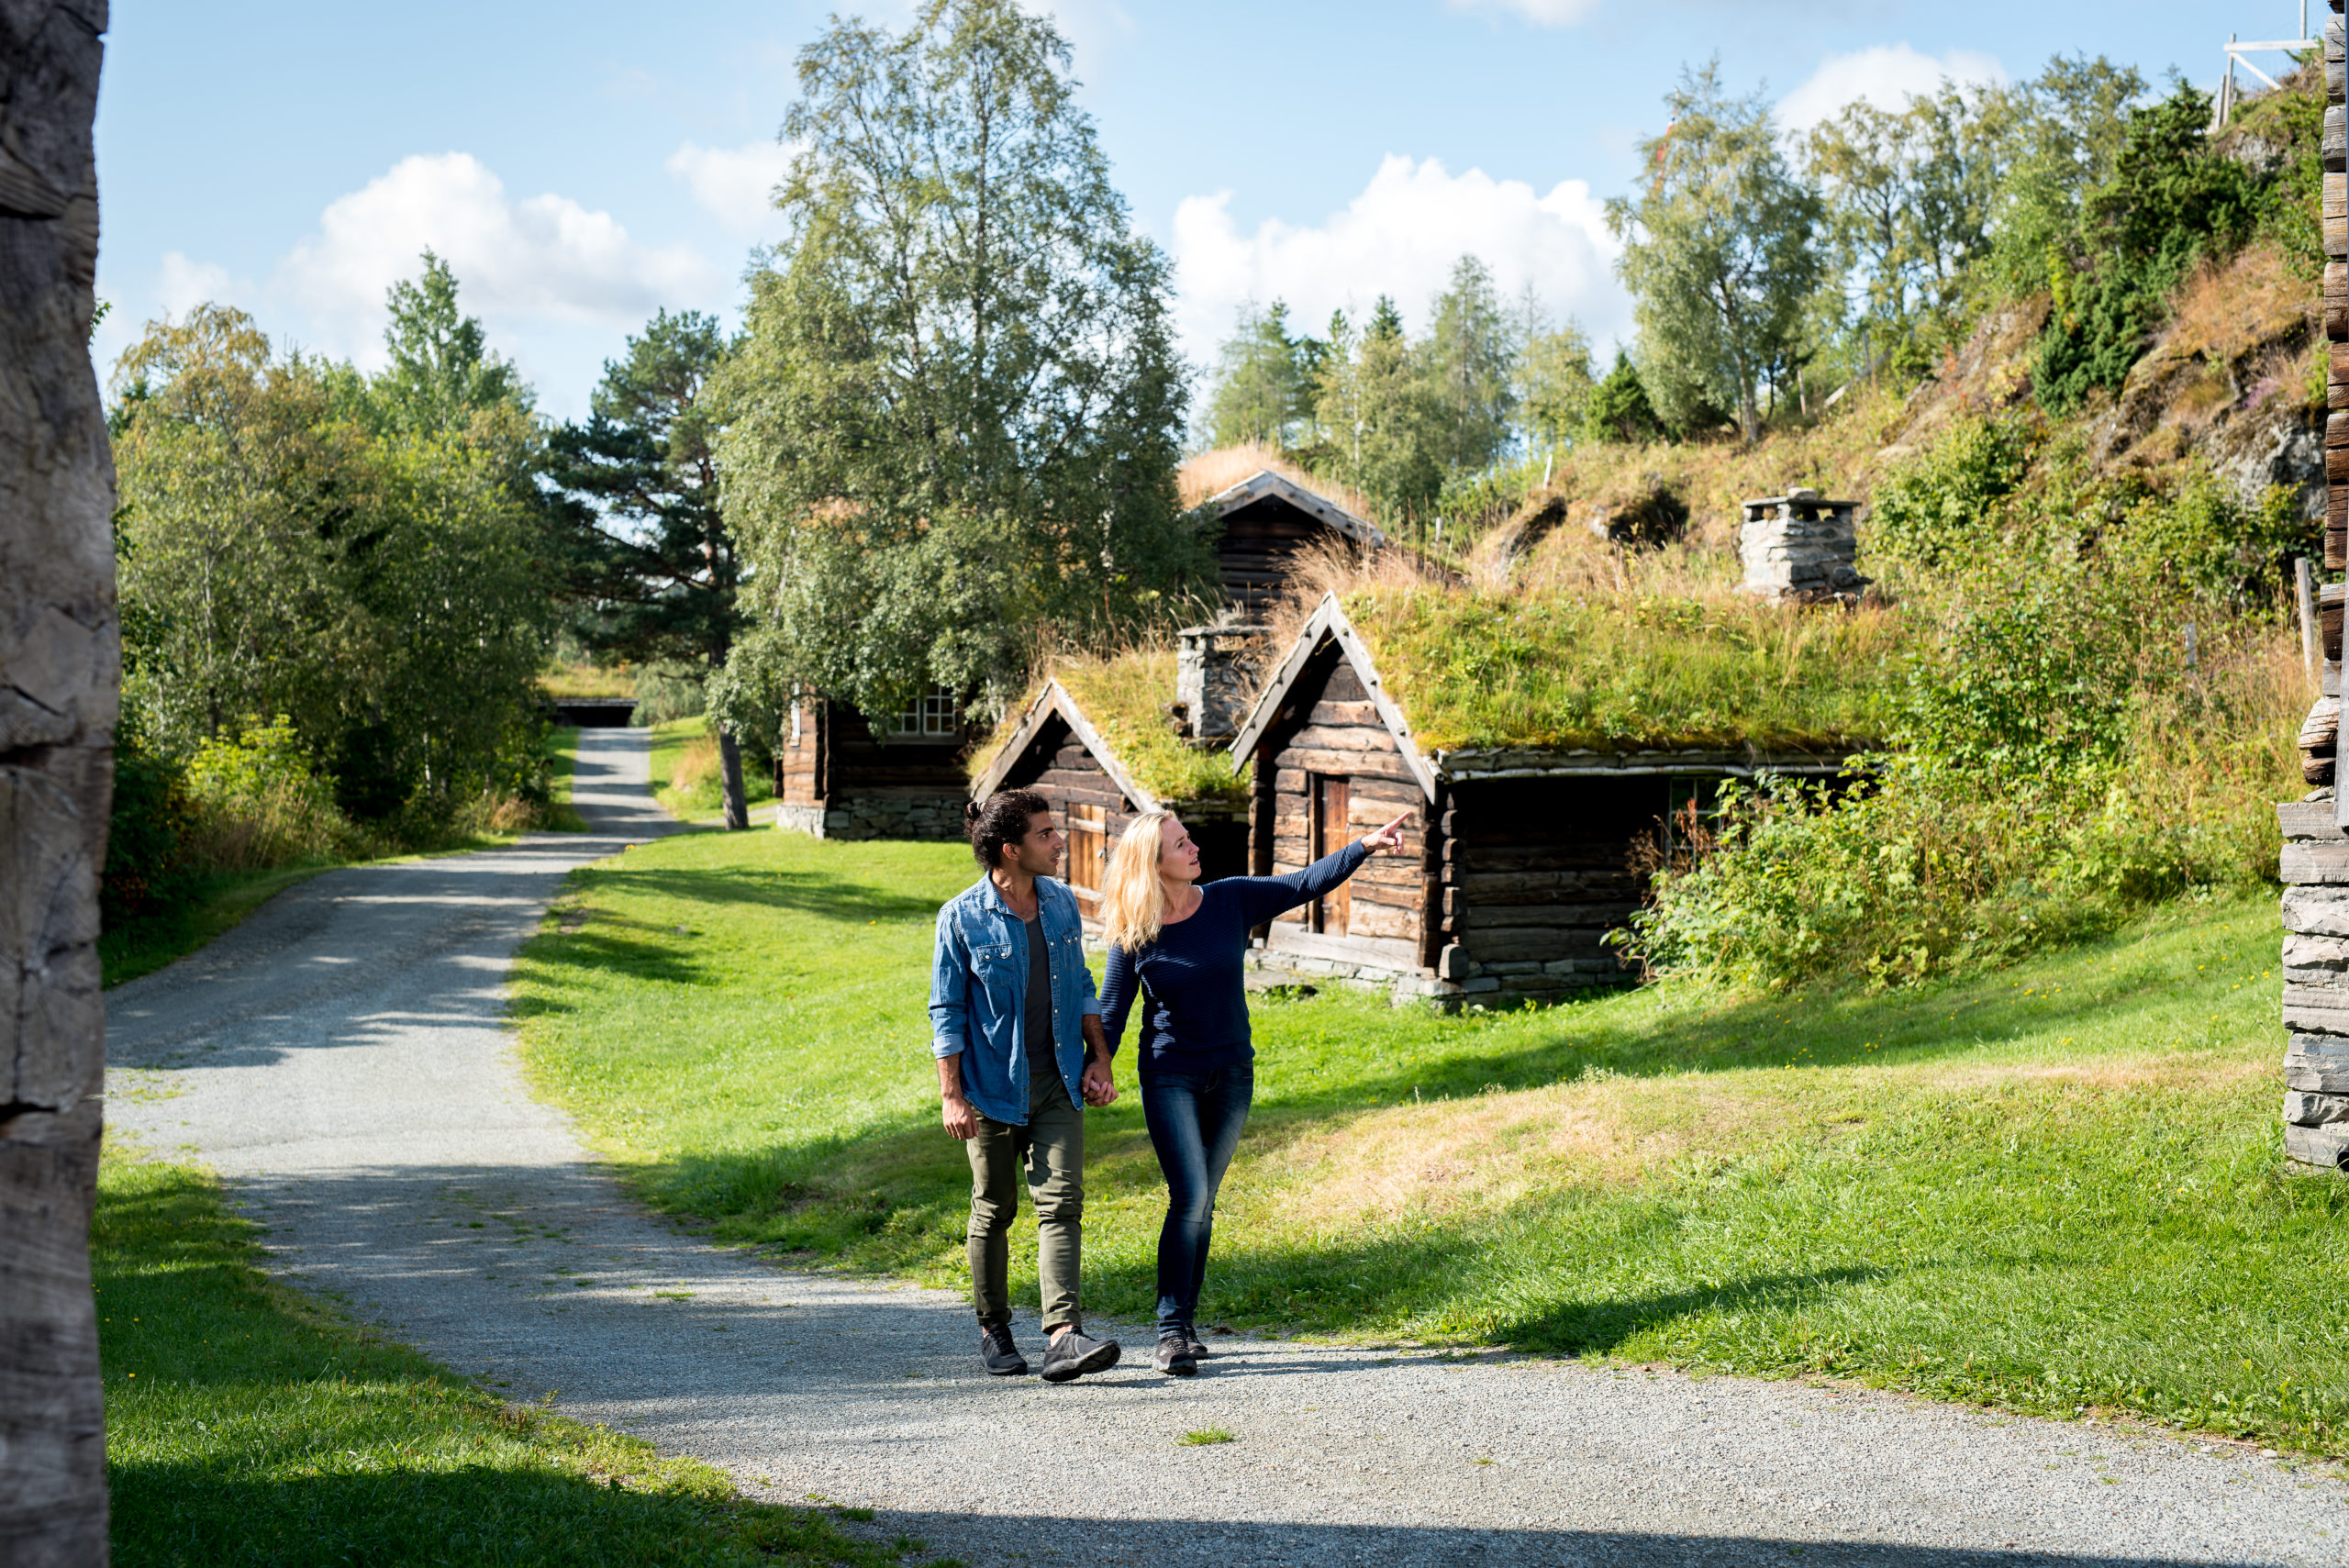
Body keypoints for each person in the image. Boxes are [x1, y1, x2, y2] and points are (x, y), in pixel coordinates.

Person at [1095, 806, 1409, 1375]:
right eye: (1180, 844)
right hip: (1170, 1074)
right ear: (1153, 863)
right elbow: (1113, 1010)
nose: (1194, 847)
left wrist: (1363, 845)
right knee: (1190, 1196)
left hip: (1233, 1073)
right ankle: (1171, 1331)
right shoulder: (1133, 930)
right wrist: (1099, 1067)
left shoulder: (1230, 899)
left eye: (1189, 838)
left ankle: (1184, 1324)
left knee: (1203, 1202)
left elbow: (1304, 883)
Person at [930, 789, 1123, 1383]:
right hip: (991, 1089)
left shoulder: (1061, 901)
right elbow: (947, 1010)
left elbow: (1082, 985)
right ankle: (994, 1327)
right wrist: (951, 1094)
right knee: (995, 1207)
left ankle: (1063, 1335)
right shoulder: (961, 917)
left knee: (1062, 1202)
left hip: (1059, 1080)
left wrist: (1100, 1059)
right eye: (1046, 834)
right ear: (1011, 850)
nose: (1060, 842)